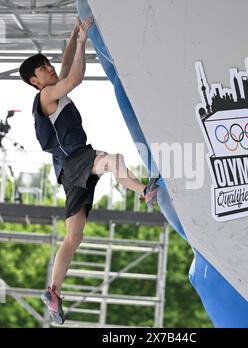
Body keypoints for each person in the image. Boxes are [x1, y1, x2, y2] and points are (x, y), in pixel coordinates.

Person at [19, 16, 159, 325]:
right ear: (34, 80)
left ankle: (53, 291)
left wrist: (72, 37)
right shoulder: (45, 96)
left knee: (74, 237)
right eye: (42, 68)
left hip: (70, 172)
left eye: (46, 63)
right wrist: (83, 43)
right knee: (112, 160)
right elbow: (74, 79)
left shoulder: (50, 90)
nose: (49, 67)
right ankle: (145, 192)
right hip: (75, 161)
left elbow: (65, 70)